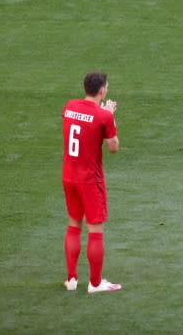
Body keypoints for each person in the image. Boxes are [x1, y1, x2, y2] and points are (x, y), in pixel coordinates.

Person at [61, 72, 122, 293]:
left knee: (73, 224)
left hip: (69, 176)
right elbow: (113, 147)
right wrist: (110, 116)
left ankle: (71, 279)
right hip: (90, 179)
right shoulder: (103, 116)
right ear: (102, 91)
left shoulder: (69, 106)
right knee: (95, 230)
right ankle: (95, 283)